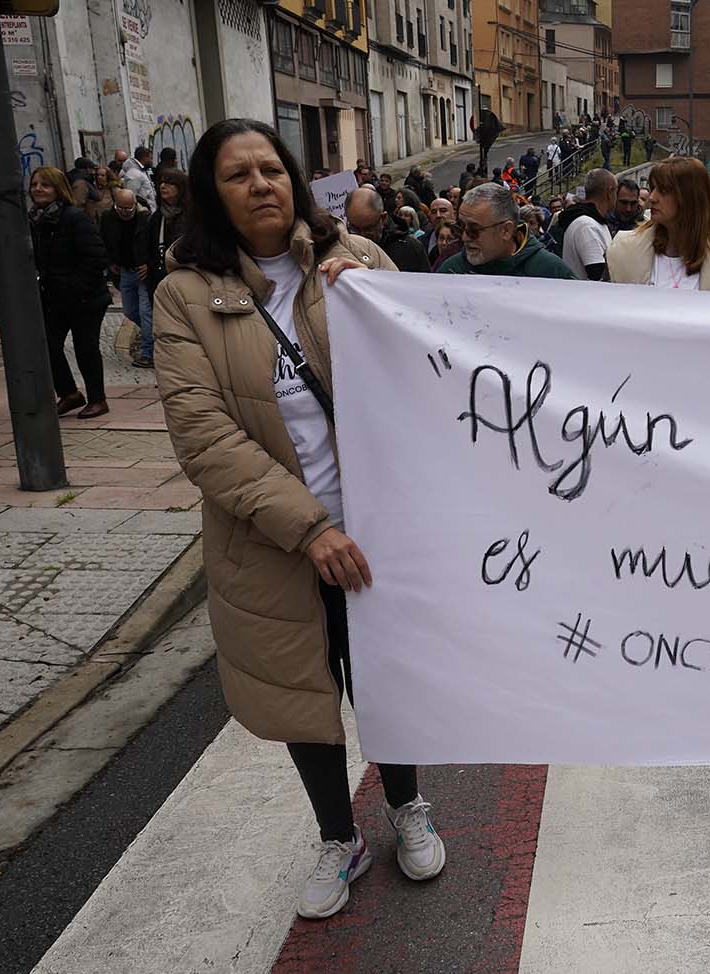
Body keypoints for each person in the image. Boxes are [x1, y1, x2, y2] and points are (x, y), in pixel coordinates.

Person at [152, 118, 441, 922]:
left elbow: (439, 363)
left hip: (379, 534)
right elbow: (202, 436)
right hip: (274, 543)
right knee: (302, 693)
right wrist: (310, 527)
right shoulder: (183, 298)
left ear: (296, 179)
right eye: (238, 175)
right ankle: (336, 834)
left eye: (271, 168)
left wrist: (376, 296)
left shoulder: (361, 259)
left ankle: (408, 807)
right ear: (215, 195)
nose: (260, 185)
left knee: (387, 678)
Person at [29, 167, 111, 418]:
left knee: (85, 347)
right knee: (47, 346)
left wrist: (75, 286)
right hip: (55, 297)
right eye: (34, 184)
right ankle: (69, 394)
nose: (38, 189)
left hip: (85, 298)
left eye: (45, 185)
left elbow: (96, 257)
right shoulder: (36, 219)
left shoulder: (73, 217)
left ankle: (98, 399)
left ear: (58, 189)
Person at [607, 157, 710, 293]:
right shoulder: (623, 250)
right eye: (653, 188)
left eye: (663, 190)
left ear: (689, 198)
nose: (652, 198)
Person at [439, 182, 575, 278]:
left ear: (506, 230)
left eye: (474, 230)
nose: (464, 237)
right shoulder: (451, 271)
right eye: (461, 227)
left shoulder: (551, 272)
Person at [100, 187, 156, 369]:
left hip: (143, 270)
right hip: (125, 269)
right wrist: (111, 262)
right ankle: (158, 334)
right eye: (120, 209)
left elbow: (154, 244)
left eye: (128, 209)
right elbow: (105, 241)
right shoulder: (109, 218)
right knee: (130, 311)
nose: (124, 213)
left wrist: (149, 264)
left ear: (135, 206)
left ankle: (149, 352)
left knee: (145, 310)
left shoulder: (145, 218)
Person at [346, 188, 430, 273]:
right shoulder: (342, 248)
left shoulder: (411, 248)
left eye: (368, 229)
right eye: (354, 228)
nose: (362, 235)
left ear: (383, 218)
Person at [558, 168, 616, 280]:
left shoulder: (595, 223)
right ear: (609, 192)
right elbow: (598, 276)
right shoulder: (587, 226)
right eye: (616, 191)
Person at [145, 168, 190, 299]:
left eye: (169, 183)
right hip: (161, 276)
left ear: (180, 188)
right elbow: (150, 246)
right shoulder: (157, 217)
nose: (163, 186)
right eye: (162, 183)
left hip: (184, 273)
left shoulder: (192, 214)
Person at [120, 146, 156, 212]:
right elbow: (132, 197)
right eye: (150, 158)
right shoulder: (134, 174)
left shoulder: (141, 171)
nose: (152, 161)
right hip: (143, 213)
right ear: (144, 158)